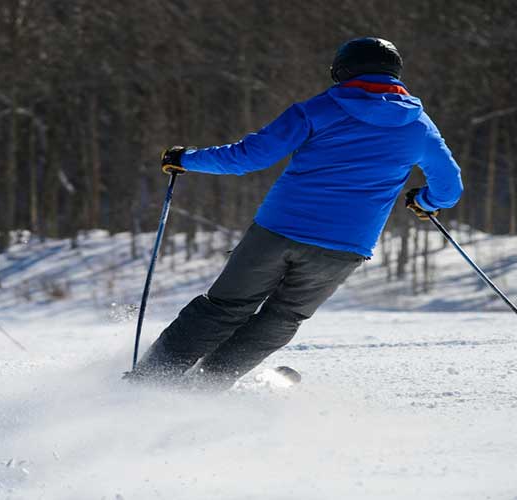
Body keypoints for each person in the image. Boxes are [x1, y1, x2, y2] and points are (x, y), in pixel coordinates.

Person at [131, 37, 464, 389]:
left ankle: (148, 383)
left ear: (342, 70)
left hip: (277, 232)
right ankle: (205, 387)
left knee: (223, 308)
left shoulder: (320, 109)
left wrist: (185, 158)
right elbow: (449, 189)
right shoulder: (419, 127)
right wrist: (424, 202)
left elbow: (250, 157)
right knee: (283, 318)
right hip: (343, 248)